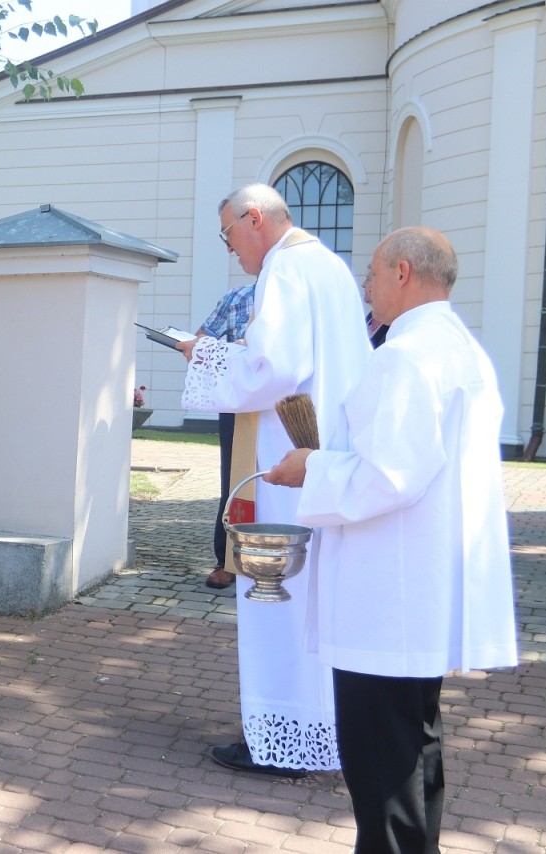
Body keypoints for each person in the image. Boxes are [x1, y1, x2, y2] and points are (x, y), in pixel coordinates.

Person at [264, 227, 518, 852]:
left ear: (402, 272)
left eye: (373, 275)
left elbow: (389, 476)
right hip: (418, 588)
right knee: (413, 752)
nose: (367, 287)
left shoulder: (406, 357)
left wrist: (309, 468)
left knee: (382, 771)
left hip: (387, 598)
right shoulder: (456, 348)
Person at [177, 183, 371, 777]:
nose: (230, 248)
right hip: (326, 455)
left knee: (276, 593)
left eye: (228, 233)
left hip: (288, 462)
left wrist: (203, 354)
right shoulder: (330, 266)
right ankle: (320, 728)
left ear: (253, 218)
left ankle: (280, 738)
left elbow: (276, 369)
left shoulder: (284, 271)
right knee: (314, 598)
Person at [192, 283, 255, 590]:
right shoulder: (238, 296)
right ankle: (227, 561)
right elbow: (204, 337)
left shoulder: (303, 291)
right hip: (238, 403)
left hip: (287, 403)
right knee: (233, 481)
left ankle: (278, 554)